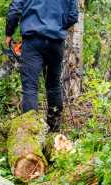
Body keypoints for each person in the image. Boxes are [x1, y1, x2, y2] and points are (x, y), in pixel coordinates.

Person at [5, 0, 79, 132]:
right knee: (54, 85)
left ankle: (31, 131)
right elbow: (73, 16)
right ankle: (54, 128)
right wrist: (57, 26)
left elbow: (14, 11)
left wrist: (9, 33)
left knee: (30, 88)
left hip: (33, 40)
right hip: (56, 42)